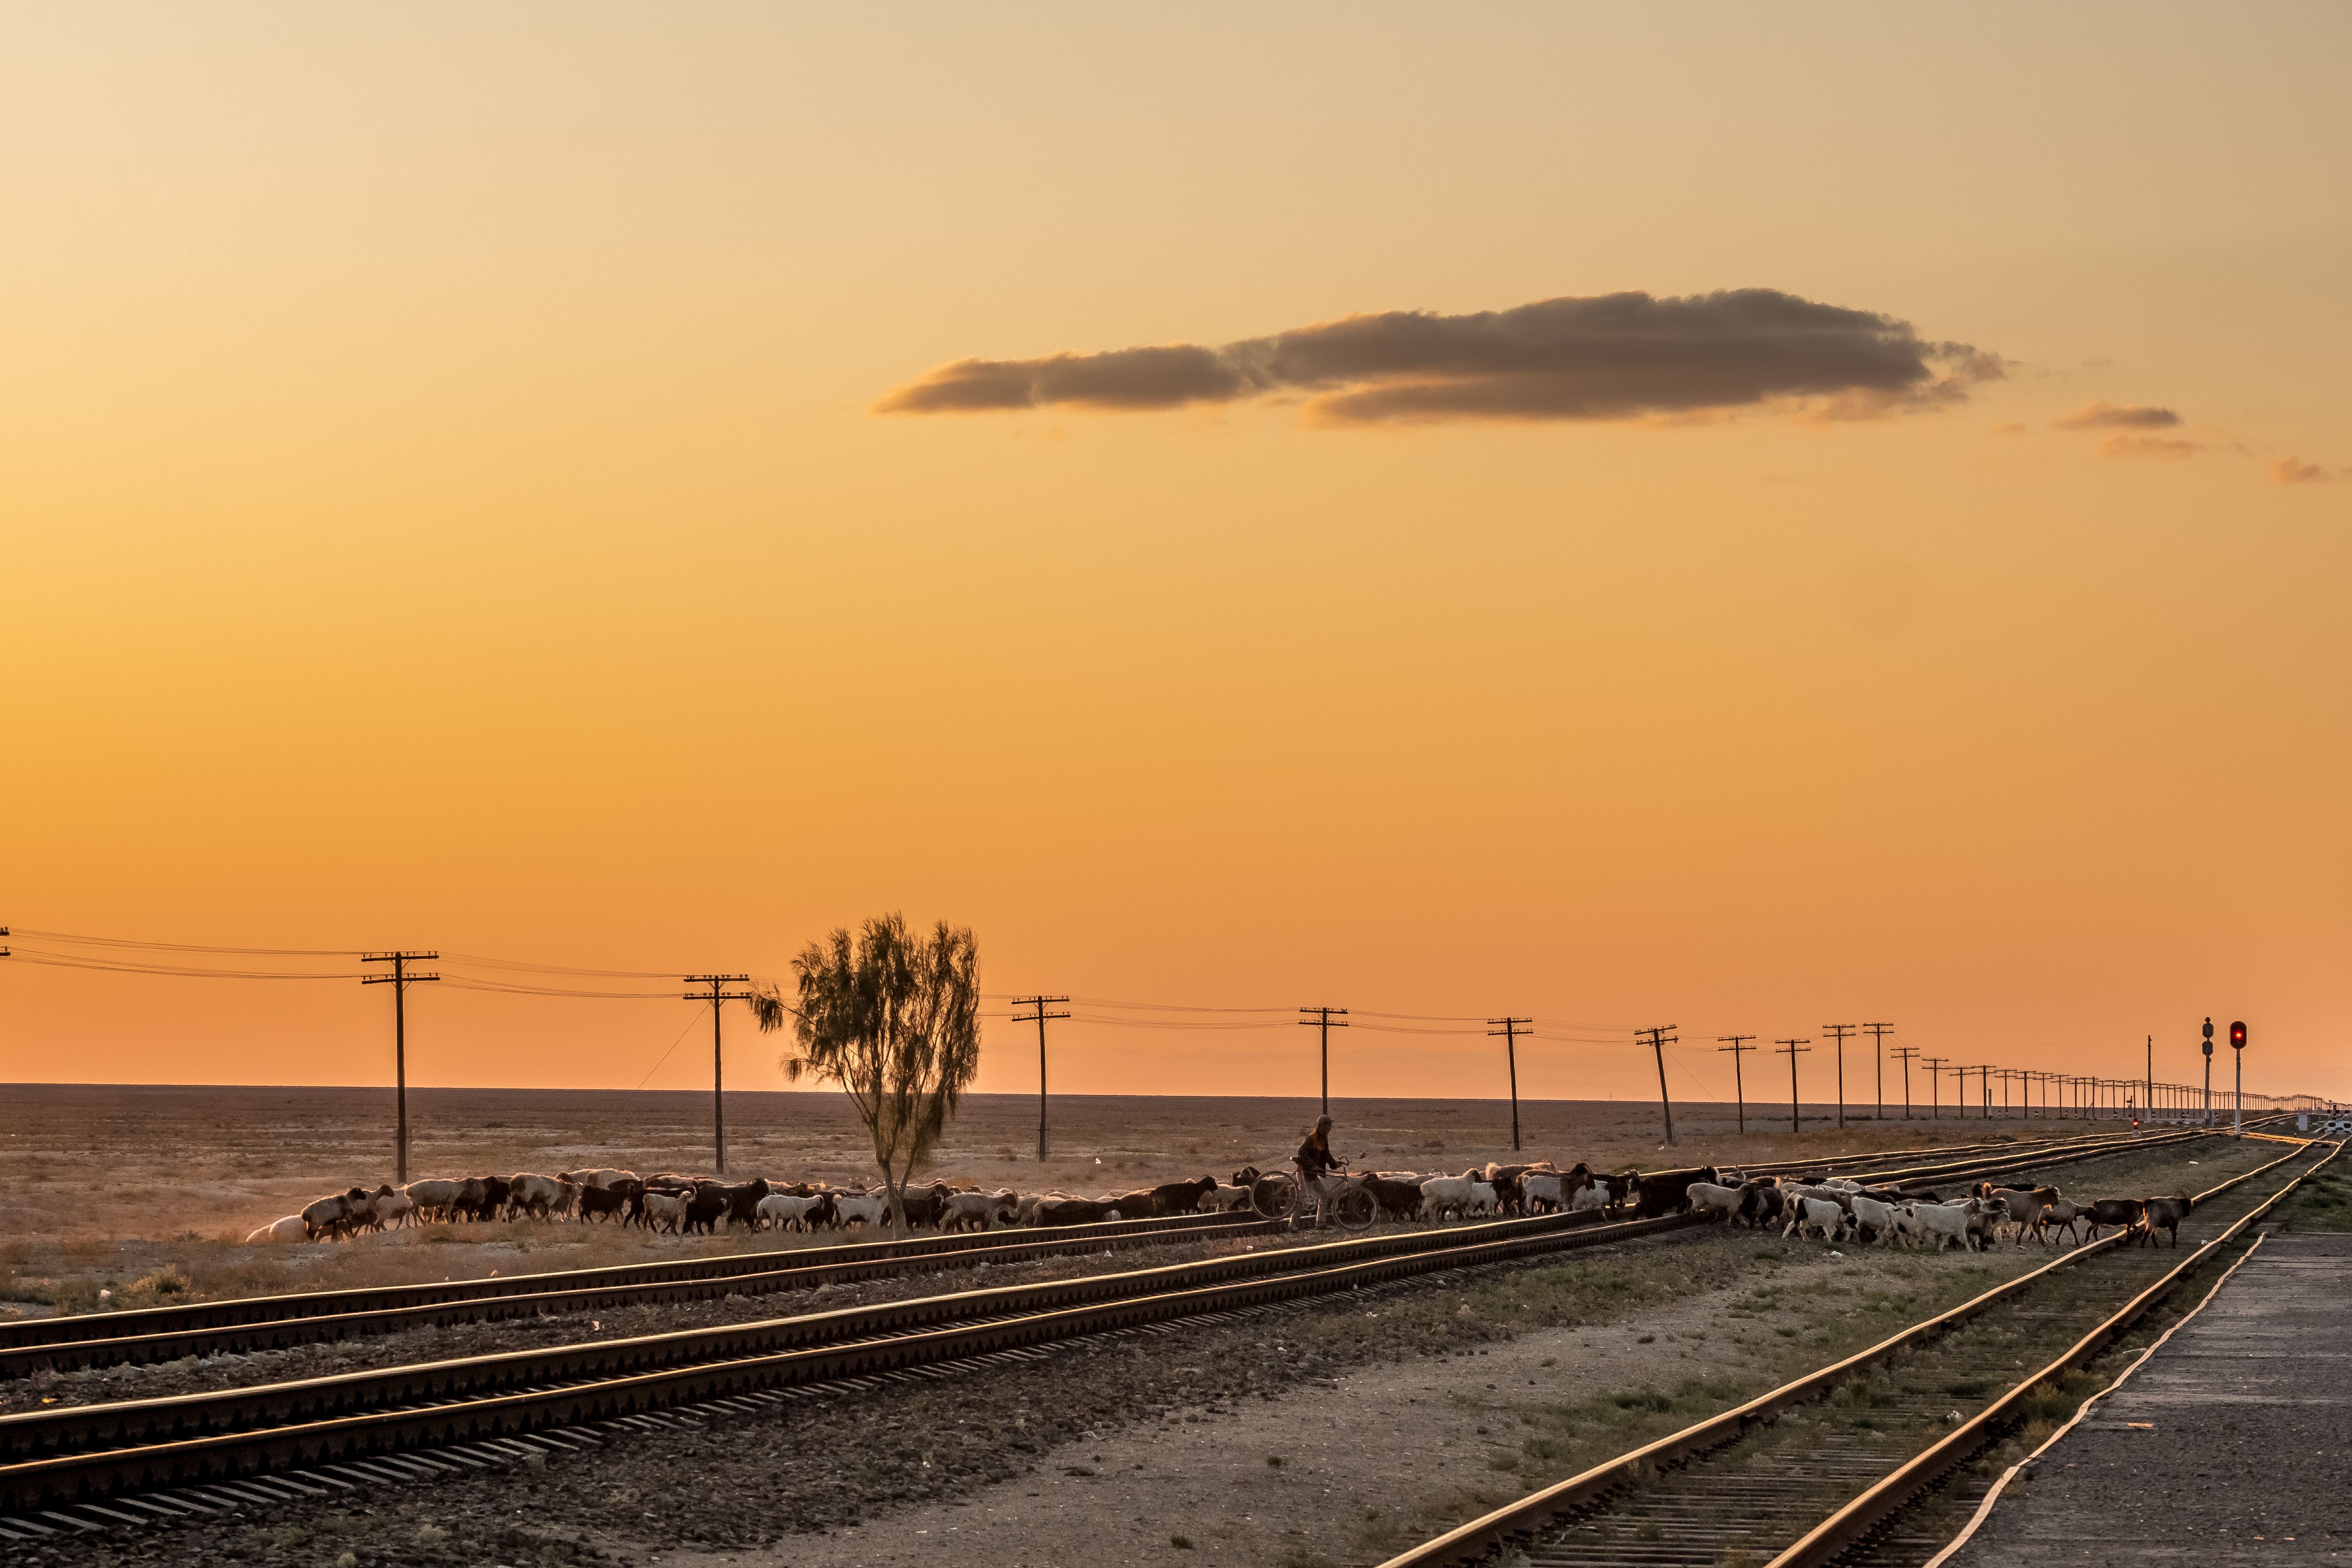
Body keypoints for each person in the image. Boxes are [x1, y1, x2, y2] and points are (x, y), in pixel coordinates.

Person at [1292, 1115, 1346, 1220]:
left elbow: (1326, 1154)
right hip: (1305, 1173)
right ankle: (1292, 1224)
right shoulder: (1312, 1138)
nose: (1330, 1128)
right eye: (1329, 1126)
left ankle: (1320, 1223)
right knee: (1301, 1198)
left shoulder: (1324, 1139)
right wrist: (1312, 1166)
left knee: (1324, 1196)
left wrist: (1335, 1164)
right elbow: (1301, 1152)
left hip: (1313, 1174)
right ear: (1322, 1126)